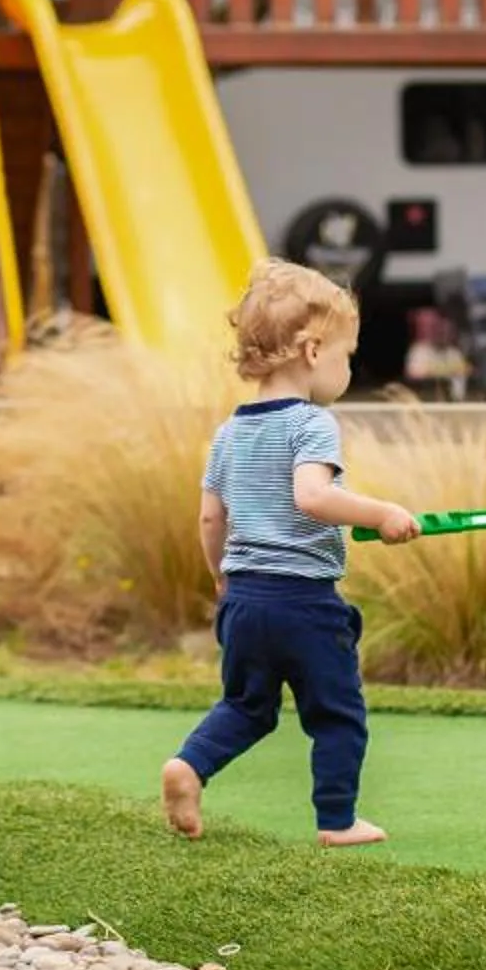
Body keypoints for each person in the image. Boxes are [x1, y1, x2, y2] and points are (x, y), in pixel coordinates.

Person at [160, 260, 419, 849]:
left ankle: (190, 767)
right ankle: (337, 821)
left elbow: (209, 517)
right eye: (346, 356)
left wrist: (221, 577)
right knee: (336, 715)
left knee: (247, 706)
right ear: (311, 350)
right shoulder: (311, 423)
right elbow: (313, 496)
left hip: (244, 598)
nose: (348, 368)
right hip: (303, 602)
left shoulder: (229, 432)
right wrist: (382, 514)